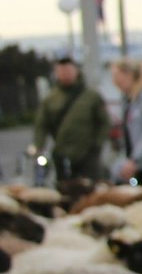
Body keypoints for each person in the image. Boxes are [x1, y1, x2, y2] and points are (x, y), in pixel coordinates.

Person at [31, 54, 111, 183]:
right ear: (56, 73)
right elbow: (41, 125)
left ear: (76, 71)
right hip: (62, 153)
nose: (66, 74)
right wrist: (38, 146)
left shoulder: (91, 96)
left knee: (92, 188)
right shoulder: (50, 99)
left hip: (88, 154)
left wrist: (97, 144)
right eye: (62, 71)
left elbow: (104, 122)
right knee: (65, 189)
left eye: (68, 70)